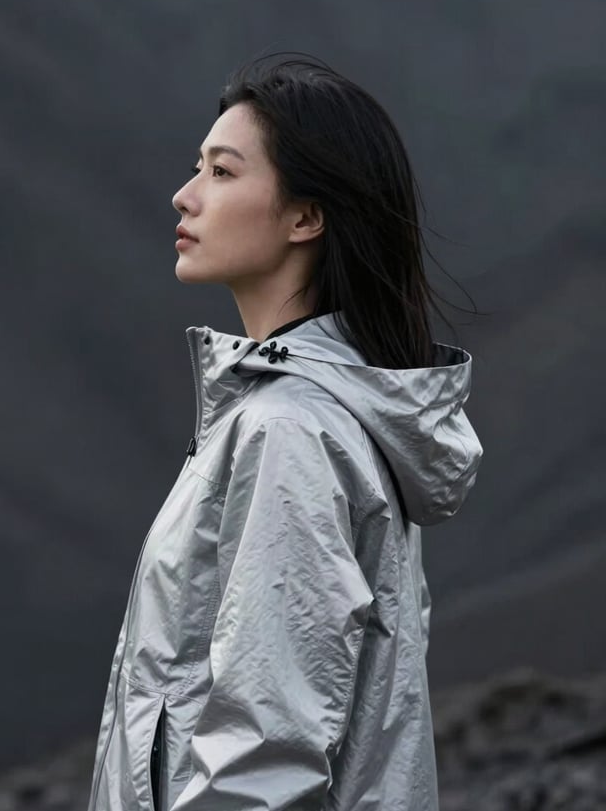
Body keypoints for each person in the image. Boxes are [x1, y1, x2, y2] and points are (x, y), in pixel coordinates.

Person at [87, 55, 483, 811]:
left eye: (221, 172)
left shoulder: (290, 430)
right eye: (197, 167)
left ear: (306, 217)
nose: (185, 194)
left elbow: (265, 756)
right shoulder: (326, 413)